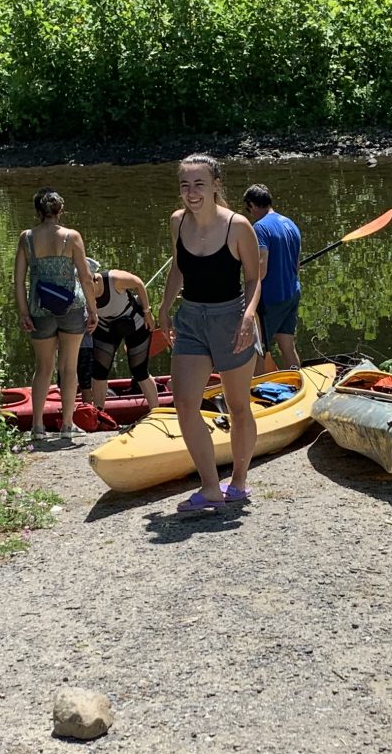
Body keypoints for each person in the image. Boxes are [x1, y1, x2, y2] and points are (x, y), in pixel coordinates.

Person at [158, 154, 264, 512]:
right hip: (190, 319)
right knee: (185, 404)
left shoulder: (238, 227)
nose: (191, 192)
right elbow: (178, 268)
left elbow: (253, 278)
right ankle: (209, 487)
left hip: (231, 320)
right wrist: (163, 307)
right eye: (185, 185)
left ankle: (239, 480)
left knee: (238, 407)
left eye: (199, 184)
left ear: (216, 185)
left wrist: (249, 315)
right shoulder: (177, 222)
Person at [13, 187, 100, 442]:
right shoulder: (72, 237)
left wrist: (23, 312)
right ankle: (68, 425)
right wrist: (93, 310)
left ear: (37, 211)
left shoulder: (26, 238)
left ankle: (37, 428)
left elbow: (18, 281)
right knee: (69, 368)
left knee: (43, 368)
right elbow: (85, 277)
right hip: (72, 308)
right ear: (60, 210)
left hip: (40, 309)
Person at [79, 257, 158, 417]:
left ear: (93, 279)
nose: (83, 290)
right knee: (99, 371)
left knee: (139, 371)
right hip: (105, 328)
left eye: (85, 284)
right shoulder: (80, 294)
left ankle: (156, 412)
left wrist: (147, 313)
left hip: (135, 324)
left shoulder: (114, 279)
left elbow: (138, 283)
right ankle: (99, 414)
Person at [243, 182, 302, 371]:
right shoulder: (290, 223)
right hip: (292, 293)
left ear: (252, 205)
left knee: (257, 348)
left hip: (271, 299)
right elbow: (297, 264)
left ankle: (259, 392)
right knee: (288, 346)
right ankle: (297, 381)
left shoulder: (259, 228)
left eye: (248, 208)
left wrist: (248, 297)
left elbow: (262, 267)